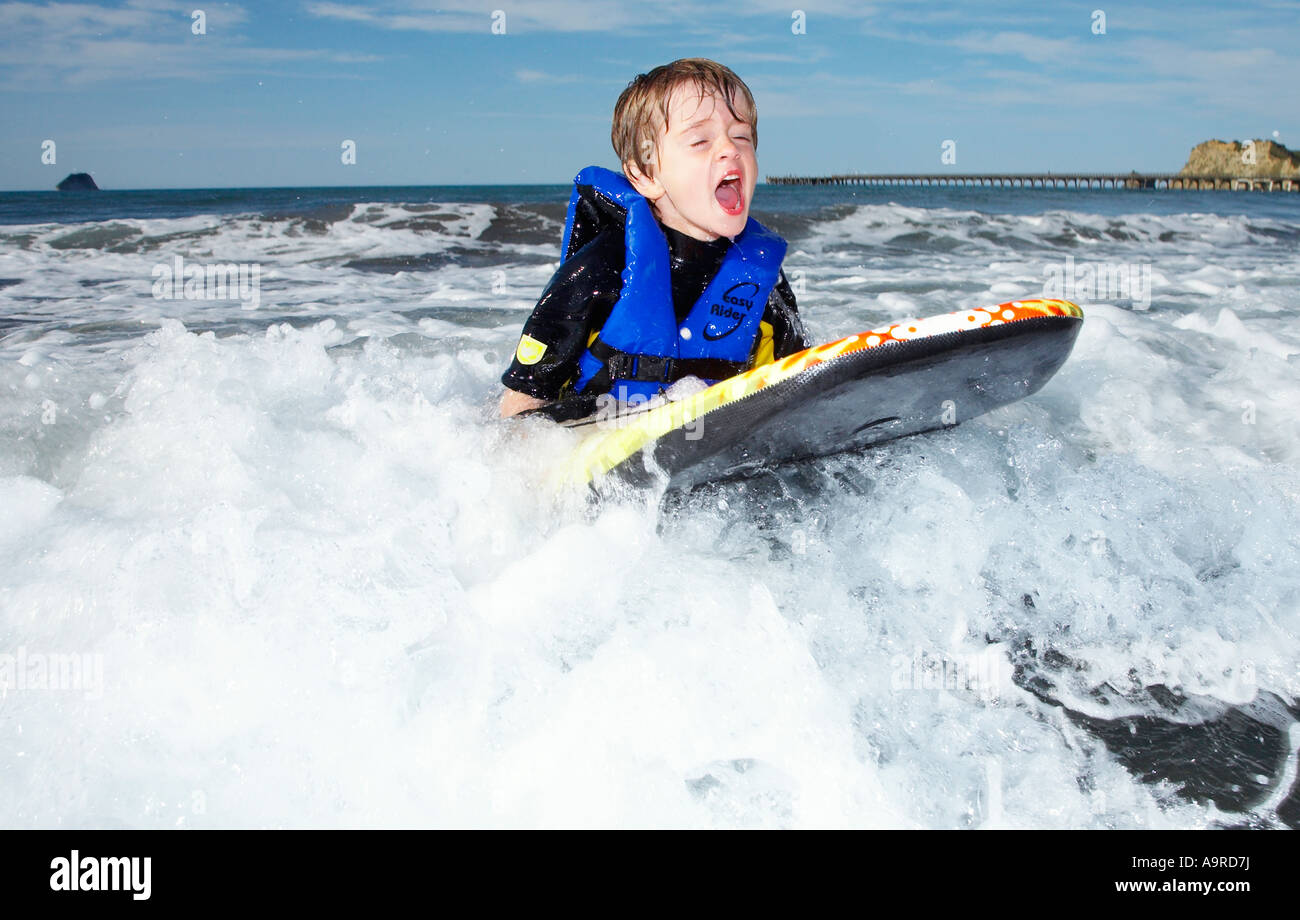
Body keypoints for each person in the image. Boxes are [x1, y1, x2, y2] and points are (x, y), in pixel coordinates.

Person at [499, 58, 810, 419]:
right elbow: (522, 400)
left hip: (712, 440)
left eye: (741, 136)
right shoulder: (600, 268)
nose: (730, 149)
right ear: (644, 175)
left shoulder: (760, 277)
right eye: (700, 140)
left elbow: (796, 377)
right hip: (597, 431)